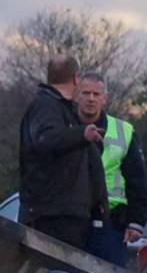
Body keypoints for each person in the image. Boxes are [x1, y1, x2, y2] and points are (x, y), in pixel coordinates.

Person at [77, 72, 147, 273]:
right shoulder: (65, 126)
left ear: (105, 98)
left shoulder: (123, 132)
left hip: (109, 223)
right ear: (77, 95)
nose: (91, 99)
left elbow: (137, 181)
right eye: (86, 93)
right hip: (73, 220)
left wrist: (137, 221)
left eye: (96, 94)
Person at [18, 54, 107, 250]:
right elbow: (46, 139)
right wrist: (81, 134)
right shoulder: (46, 106)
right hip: (51, 217)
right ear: (75, 78)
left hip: (67, 215)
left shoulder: (62, 109)